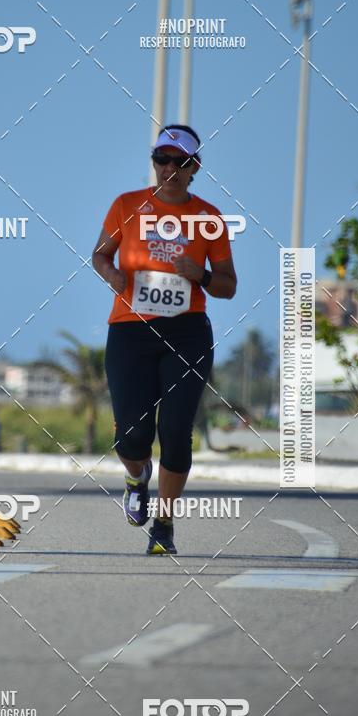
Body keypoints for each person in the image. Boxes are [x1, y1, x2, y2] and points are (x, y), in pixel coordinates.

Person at [92, 124, 237, 555]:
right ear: (153, 162)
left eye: (179, 162)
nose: (168, 168)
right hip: (130, 330)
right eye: (161, 159)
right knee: (132, 437)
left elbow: (229, 285)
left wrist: (204, 276)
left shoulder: (208, 218)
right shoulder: (127, 205)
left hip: (186, 331)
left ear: (194, 167)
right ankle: (136, 478)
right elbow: (100, 253)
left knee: (176, 431)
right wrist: (114, 274)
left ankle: (165, 524)